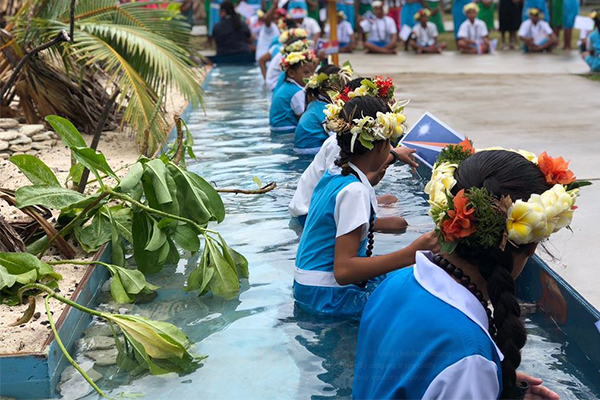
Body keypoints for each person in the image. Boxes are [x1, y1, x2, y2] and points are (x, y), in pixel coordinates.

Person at [354, 143, 580, 400]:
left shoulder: (393, 284)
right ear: (530, 247)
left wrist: (493, 381)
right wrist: (478, 378)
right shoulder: (468, 357)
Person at [293, 95, 440, 316]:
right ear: (380, 145)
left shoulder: (335, 177)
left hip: (307, 289)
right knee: (424, 292)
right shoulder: (354, 191)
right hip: (328, 297)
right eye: (390, 142)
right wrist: (411, 252)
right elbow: (343, 271)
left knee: (407, 280)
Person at [289, 76, 418, 223]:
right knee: (398, 224)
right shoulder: (338, 144)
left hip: (329, 206)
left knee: (390, 199)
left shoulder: (355, 140)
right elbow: (341, 189)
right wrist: (393, 156)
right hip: (310, 214)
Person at [294, 64, 352, 154]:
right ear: (324, 90)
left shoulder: (316, 104)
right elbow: (337, 139)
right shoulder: (325, 109)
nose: (345, 92)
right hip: (311, 155)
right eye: (341, 86)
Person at [269, 48, 316, 133]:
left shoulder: (286, 86)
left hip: (275, 128)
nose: (310, 76)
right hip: (287, 130)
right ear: (291, 73)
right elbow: (302, 117)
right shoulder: (297, 92)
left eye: (312, 72)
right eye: (306, 73)